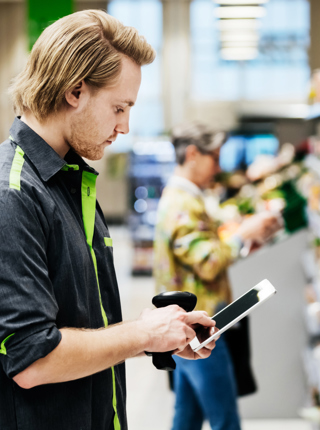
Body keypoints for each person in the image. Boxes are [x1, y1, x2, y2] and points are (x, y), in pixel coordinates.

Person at [0, 10, 217, 430]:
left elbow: (81, 329)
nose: (125, 126)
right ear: (75, 90)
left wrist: (159, 338)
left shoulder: (70, 180)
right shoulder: (13, 195)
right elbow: (33, 358)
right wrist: (143, 335)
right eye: (119, 107)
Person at [153, 122, 282, 430]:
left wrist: (243, 239)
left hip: (188, 324)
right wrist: (242, 235)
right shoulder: (181, 204)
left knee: (187, 416)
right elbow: (209, 261)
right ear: (193, 154)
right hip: (202, 326)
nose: (219, 167)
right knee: (225, 419)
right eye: (214, 157)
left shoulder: (189, 197)